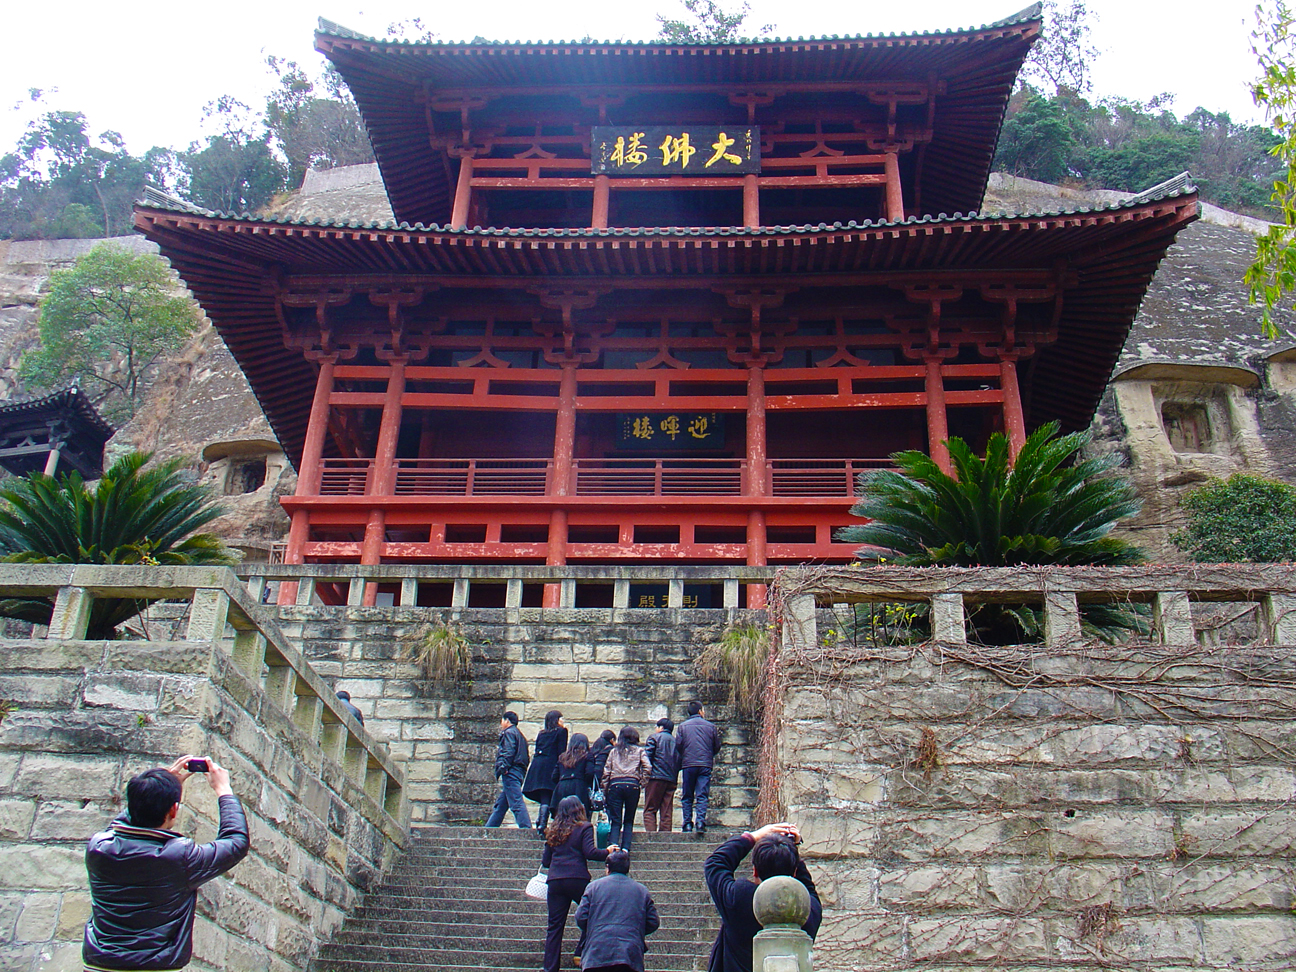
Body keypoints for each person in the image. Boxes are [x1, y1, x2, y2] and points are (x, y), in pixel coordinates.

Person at [84, 755, 250, 972]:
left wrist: (154, 791)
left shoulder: (98, 847)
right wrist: (224, 791)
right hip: (155, 967)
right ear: (174, 810)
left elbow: (124, 823)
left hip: (99, 964)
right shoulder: (180, 857)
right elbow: (236, 843)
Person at [703, 822, 822, 972]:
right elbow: (807, 888)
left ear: (755, 871)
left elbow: (715, 864)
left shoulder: (740, 898)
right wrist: (792, 849)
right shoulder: (807, 910)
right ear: (794, 873)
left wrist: (752, 837)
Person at [541, 795, 616, 972]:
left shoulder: (553, 830)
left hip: (556, 881)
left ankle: (550, 968)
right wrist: (607, 851)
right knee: (593, 915)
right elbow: (590, 852)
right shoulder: (584, 827)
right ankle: (580, 952)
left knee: (554, 927)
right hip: (577, 878)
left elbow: (546, 861)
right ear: (579, 809)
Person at [575, 849, 660, 972]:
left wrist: (594, 929)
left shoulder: (593, 887)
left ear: (608, 868)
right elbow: (653, 922)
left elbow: (580, 917)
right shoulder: (641, 891)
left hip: (597, 952)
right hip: (629, 953)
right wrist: (635, 930)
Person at [601, 726, 651, 853]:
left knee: (616, 820)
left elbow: (606, 771)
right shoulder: (639, 751)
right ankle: (625, 849)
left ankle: (613, 847)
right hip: (632, 784)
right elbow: (648, 767)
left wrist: (605, 788)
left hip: (615, 784)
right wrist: (642, 782)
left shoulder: (614, 751)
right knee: (629, 820)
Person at [676, 701, 722, 834]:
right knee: (702, 794)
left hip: (688, 764)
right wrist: (708, 755)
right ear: (700, 711)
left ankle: (687, 824)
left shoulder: (682, 726)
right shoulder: (711, 726)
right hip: (705, 764)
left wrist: (685, 755)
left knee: (687, 795)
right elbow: (716, 746)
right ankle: (700, 822)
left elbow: (678, 745)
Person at [486, 710, 531, 828]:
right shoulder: (520, 735)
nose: (501, 724)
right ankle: (489, 828)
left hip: (511, 771)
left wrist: (503, 767)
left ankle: (526, 828)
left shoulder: (509, 733)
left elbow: (508, 751)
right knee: (501, 805)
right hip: (518, 772)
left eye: (502, 720)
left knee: (516, 802)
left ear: (506, 720)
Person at [524, 710, 568, 831]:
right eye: (561, 718)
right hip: (551, 765)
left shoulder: (542, 733)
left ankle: (541, 821)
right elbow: (561, 752)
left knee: (545, 794)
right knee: (550, 792)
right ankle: (543, 823)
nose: (563, 721)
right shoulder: (561, 731)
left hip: (538, 766)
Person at [642, 717, 680, 832]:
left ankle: (651, 837)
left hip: (655, 778)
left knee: (650, 809)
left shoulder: (654, 738)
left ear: (661, 728)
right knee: (666, 810)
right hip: (671, 779)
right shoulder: (676, 742)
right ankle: (666, 838)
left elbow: (646, 758)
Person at [551, 732, 596, 817]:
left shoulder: (562, 757)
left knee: (562, 815)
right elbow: (590, 773)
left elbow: (554, 776)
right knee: (579, 816)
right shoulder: (587, 756)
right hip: (578, 787)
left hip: (562, 786)